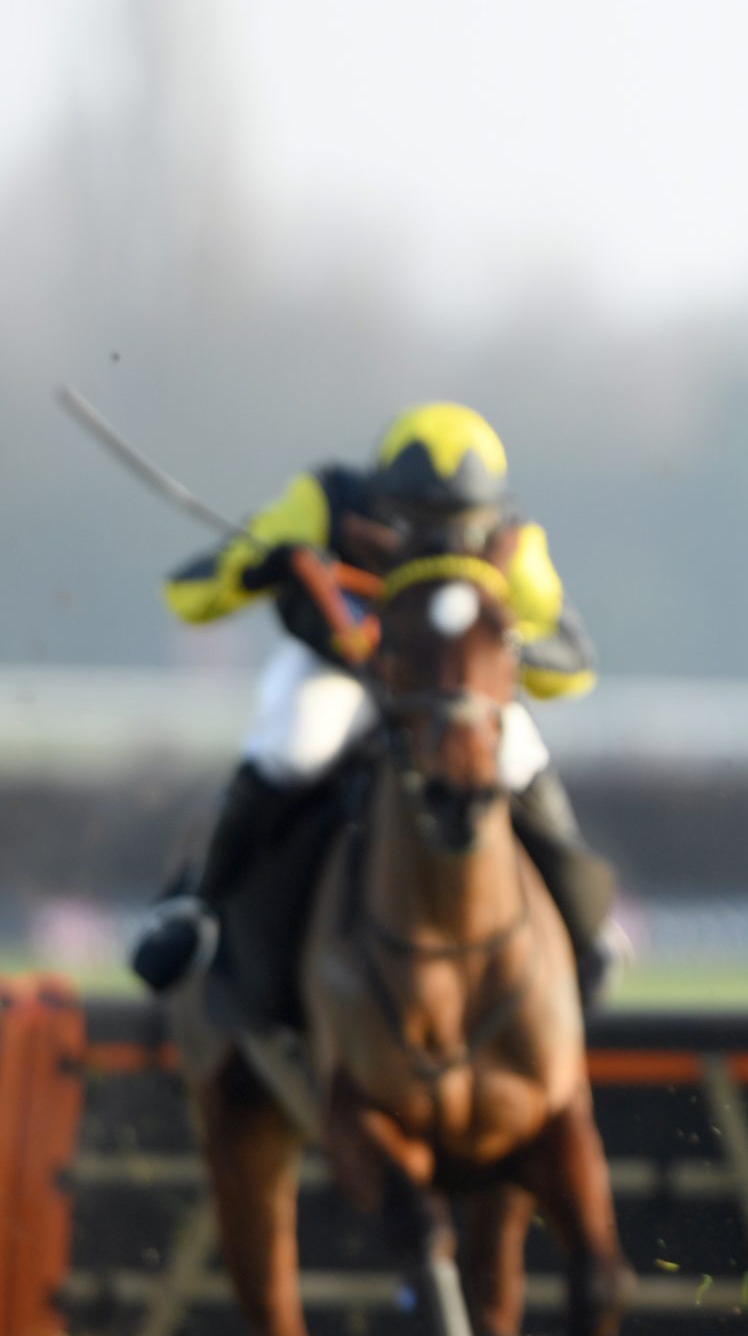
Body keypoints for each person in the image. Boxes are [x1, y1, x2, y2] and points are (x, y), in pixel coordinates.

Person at [128, 402, 626, 1008]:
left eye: (461, 524)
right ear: (380, 498)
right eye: (416, 521)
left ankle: (584, 928)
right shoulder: (326, 500)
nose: (442, 540)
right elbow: (188, 593)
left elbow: (570, 664)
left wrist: (505, 645)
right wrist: (258, 567)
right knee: (297, 742)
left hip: (446, 690)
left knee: (520, 755)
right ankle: (196, 907)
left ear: (491, 511)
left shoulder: (512, 541)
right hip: (341, 670)